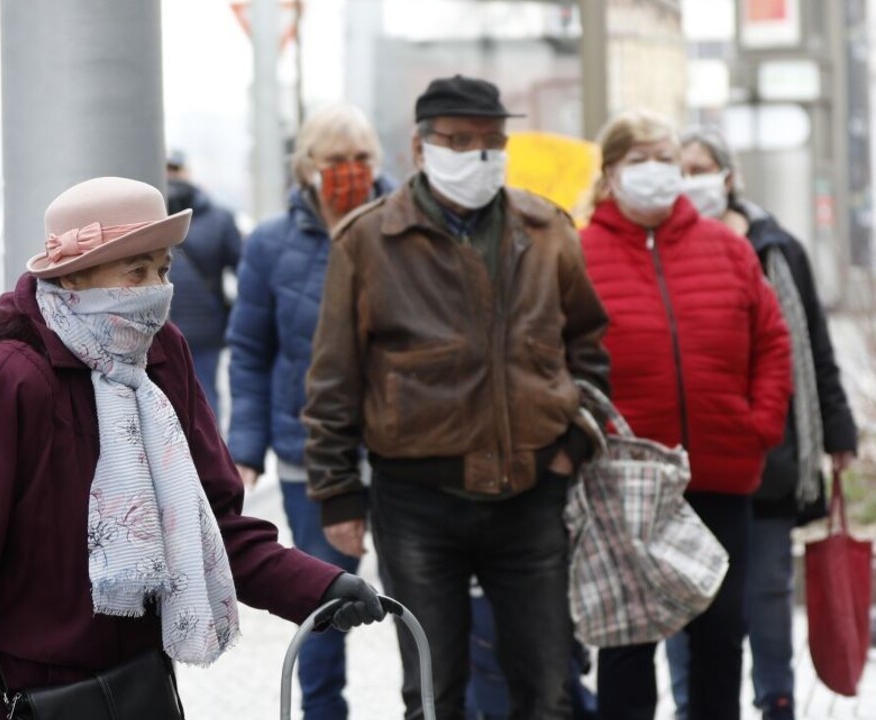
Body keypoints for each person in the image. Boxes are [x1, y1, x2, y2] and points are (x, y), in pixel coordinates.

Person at [0, 176, 386, 719]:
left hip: (135, 688)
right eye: (136, 270)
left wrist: (320, 584)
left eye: (163, 268)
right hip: (17, 695)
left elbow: (210, 522)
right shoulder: (9, 375)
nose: (157, 288)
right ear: (73, 275)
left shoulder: (161, 353)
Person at [303, 75, 612, 719]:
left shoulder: (547, 229)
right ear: (420, 149)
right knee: (433, 692)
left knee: (549, 687)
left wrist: (574, 445)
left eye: (493, 141)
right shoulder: (367, 241)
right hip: (416, 502)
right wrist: (336, 491)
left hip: (531, 493)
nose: (480, 155)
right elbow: (335, 376)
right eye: (461, 140)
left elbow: (589, 348)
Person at [579, 109, 793, 720]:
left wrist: (759, 427)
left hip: (722, 473)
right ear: (611, 171)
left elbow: (773, 341)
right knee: (628, 639)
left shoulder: (727, 247)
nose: (656, 172)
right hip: (626, 483)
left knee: (721, 633)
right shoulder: (580, 251)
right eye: (639, 159)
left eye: (665, 158)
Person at [662, 127, 858, 720]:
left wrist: (837, 429)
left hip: (768, 454)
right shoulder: (661, 248)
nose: (691, 180)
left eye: (702, 167)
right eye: (681, 168)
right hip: (687, 460)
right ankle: (691, 702)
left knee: (768, 593)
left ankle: (776, 701)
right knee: (683, 591)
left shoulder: (777, 248)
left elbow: (811, 348)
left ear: (727, 175)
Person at [227, 102, 392, 720]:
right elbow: (250, 350)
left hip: (403, 451)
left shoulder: (404, 226)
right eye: (336, 161)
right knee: (324, 606)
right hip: (310, 458)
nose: (351, 171)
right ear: (307, 168)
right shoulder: (271, 244)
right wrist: (245, 450)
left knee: (428, 607)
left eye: (362, 159)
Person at [164, 150, 242, 416]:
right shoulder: (218, 217)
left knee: (200, 403)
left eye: (175, 169)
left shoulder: (219, 218)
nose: (171, 175)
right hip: (167, 330)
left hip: (199, 333)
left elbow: (245, 272)